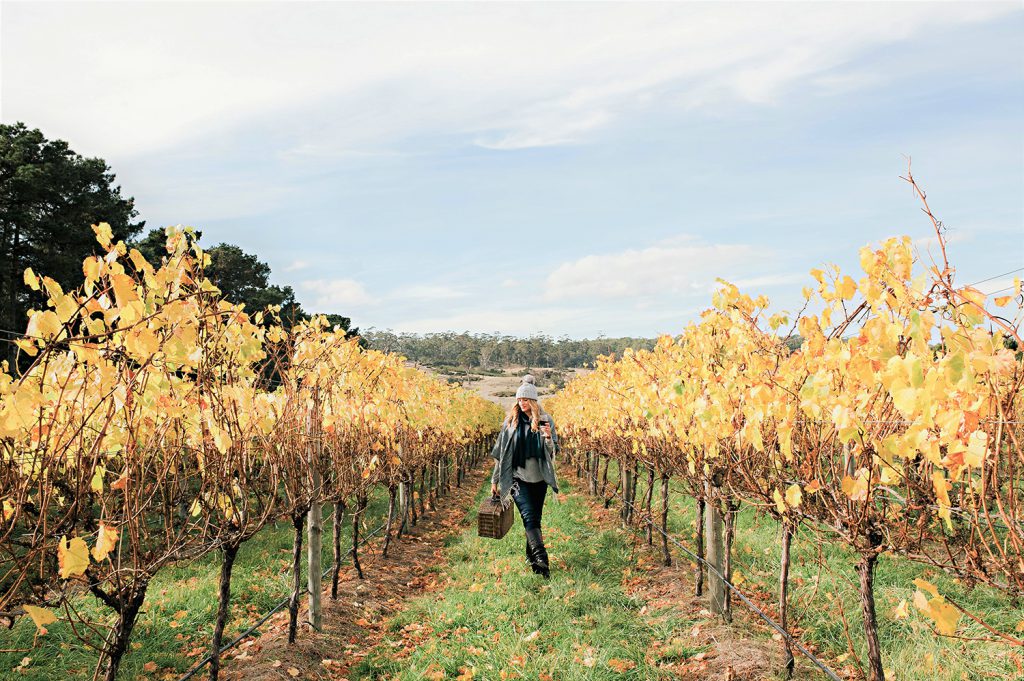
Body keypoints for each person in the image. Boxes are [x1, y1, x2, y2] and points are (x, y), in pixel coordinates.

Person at [490, 374, 560, 579]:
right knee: (528, 516)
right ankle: (542, 559)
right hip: (517, 479)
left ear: (533, 401)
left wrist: (547, 438)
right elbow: (500, 454)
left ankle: (532, 559)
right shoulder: (510, 421)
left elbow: (554, 449)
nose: (521, 403)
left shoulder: (546, 420)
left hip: (539, 479)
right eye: (519, 399)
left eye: (525, 399)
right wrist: (495, 480)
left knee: (534, 519)